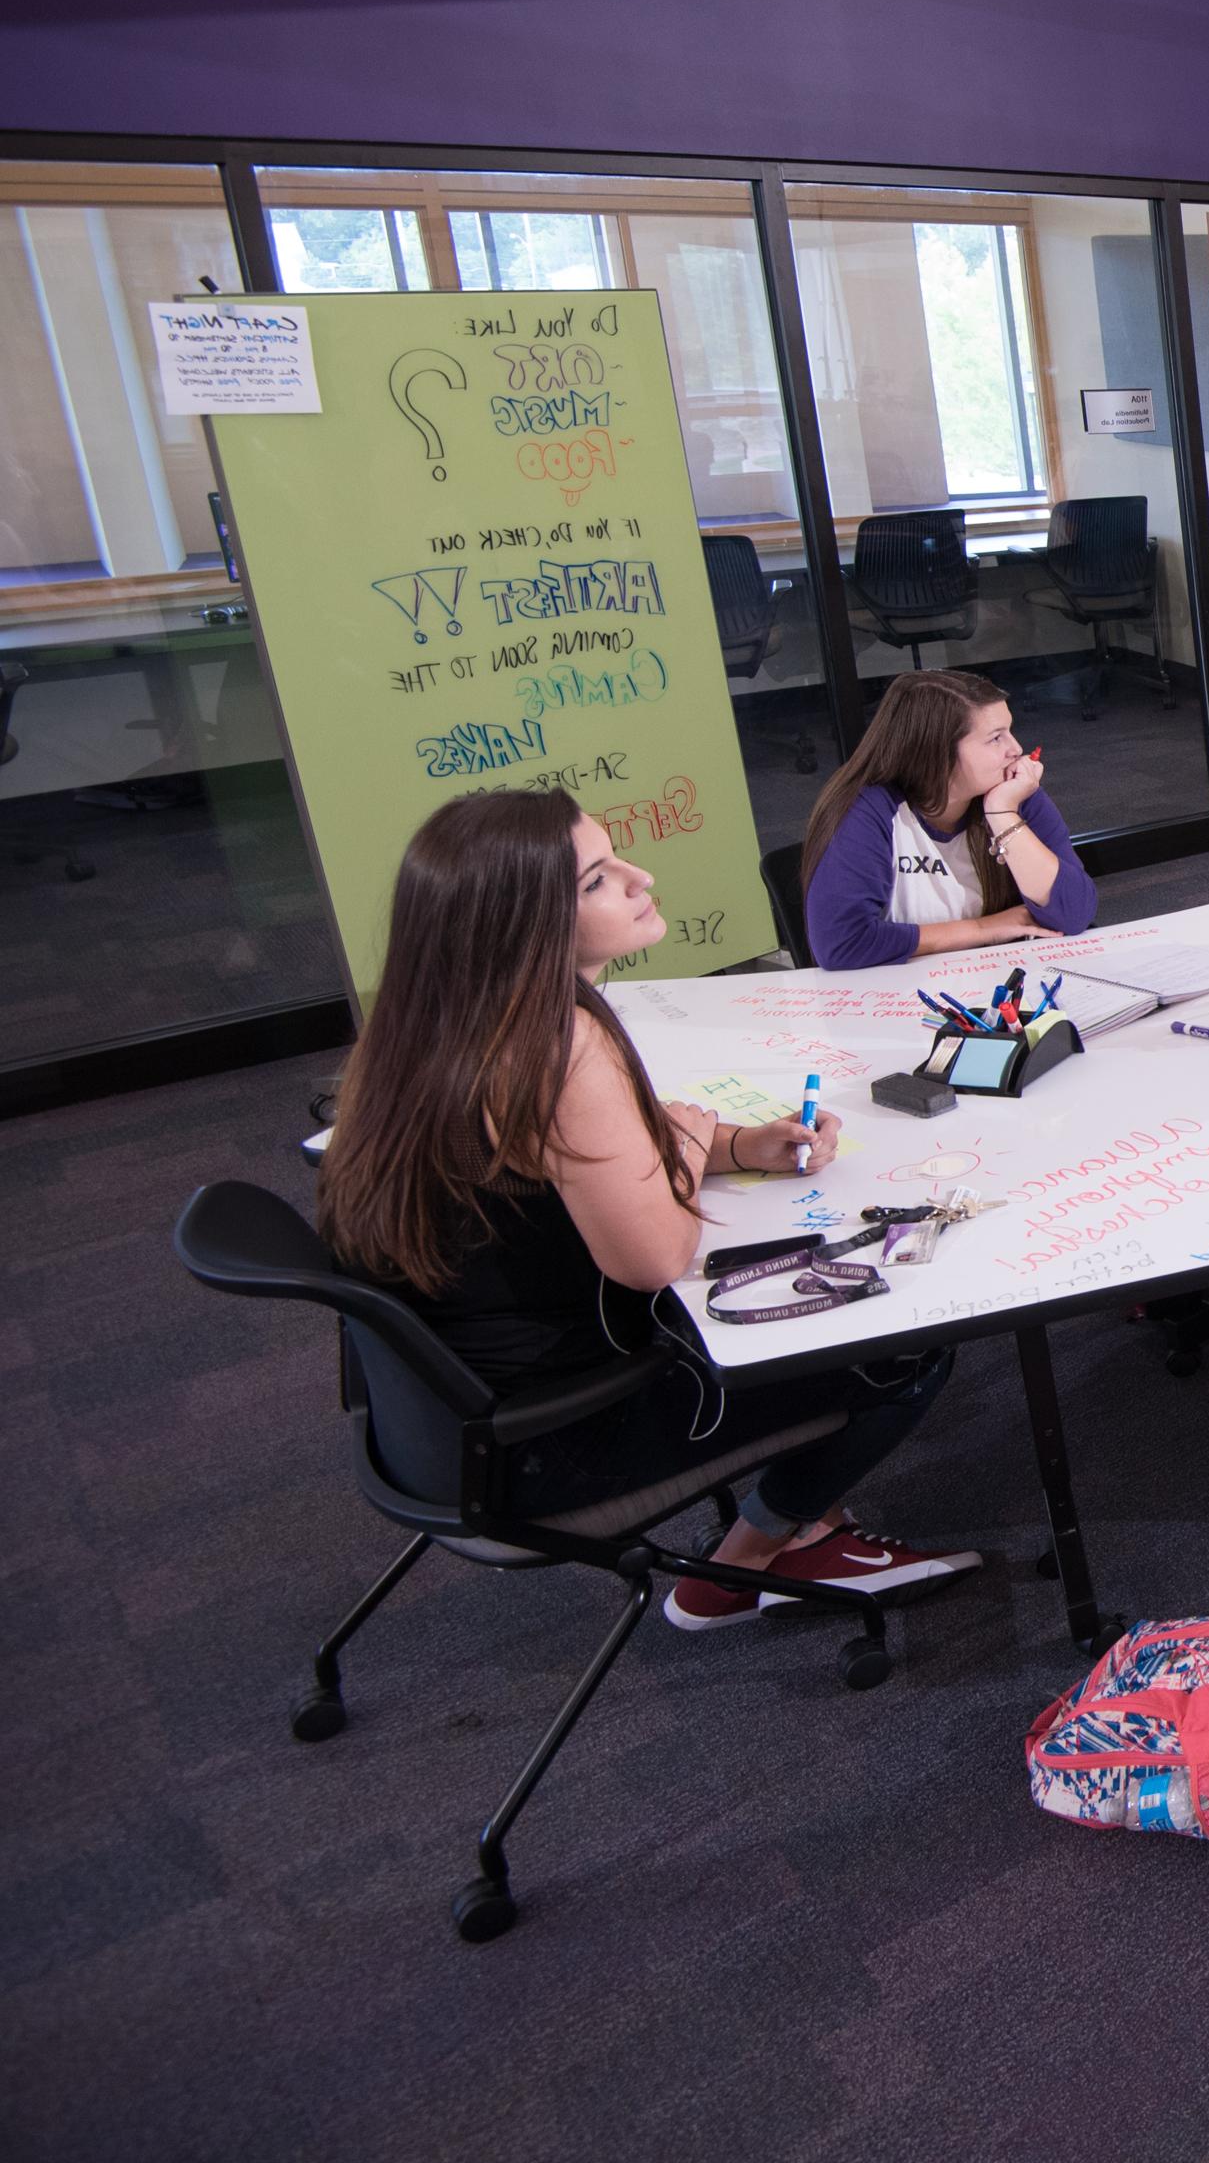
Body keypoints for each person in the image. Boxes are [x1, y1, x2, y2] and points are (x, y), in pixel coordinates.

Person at [317, 788, 974, 1632]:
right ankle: (745, 1566)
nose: (640, 877)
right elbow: (655, 1258)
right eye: (597, 879)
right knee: (904, 1344)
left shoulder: (435, 1020)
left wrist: (734, 1145)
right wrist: (693, 1155)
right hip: (558, 1439)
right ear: (525, 922)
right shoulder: (552, 1045)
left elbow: (592, 1151)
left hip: (452, 1421)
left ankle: (802, 1526)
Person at [798, 668, 1096, 969]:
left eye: (1010, 730)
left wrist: (1003, 815)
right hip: (898, 995)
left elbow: (1073, 913)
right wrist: (984, 930)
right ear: (938, 751)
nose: (1016, 749)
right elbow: (841, 944)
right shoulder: (865, 810)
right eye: (995, 739)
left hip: (998, 983)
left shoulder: (1014, 794)